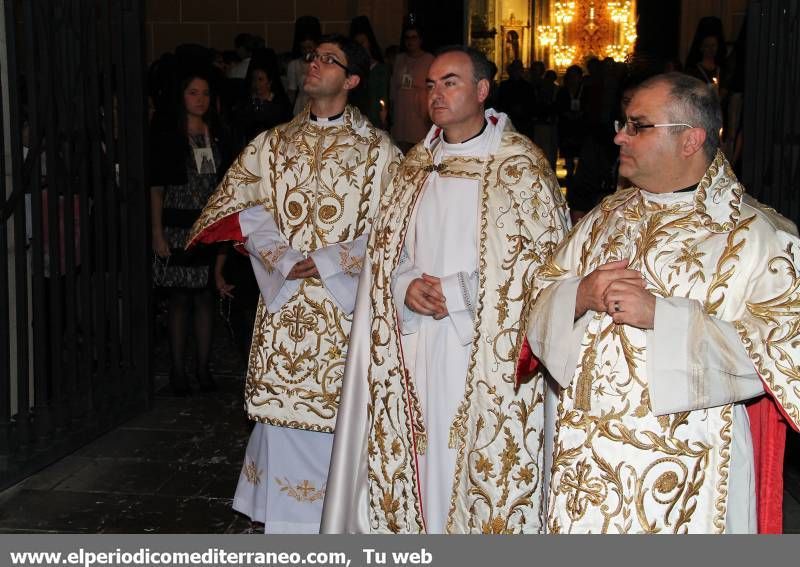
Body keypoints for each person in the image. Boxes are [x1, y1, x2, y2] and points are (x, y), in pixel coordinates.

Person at [524, 72, 800, 533]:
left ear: (690, 140)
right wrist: (580, 294)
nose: (619, 135)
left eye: (638, 125)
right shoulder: (604, 216)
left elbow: (782, 352)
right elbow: (540, 296)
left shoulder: (761, 236)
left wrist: (662, 317)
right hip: (585, 464)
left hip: (688, 471)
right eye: (623, 123)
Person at [321, 46, 569, 534]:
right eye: (430, 85)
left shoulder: (520, 167)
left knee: (465, 459)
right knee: (419, 454)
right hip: (414, 340)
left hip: (482, 348)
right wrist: (405, 283)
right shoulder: (415, 165)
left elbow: (543, 267)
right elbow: (387, 251)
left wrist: (457, 292)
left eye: (450, 82)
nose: (435, 94)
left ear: (481, 91)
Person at [187, 35, 401, 534]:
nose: (315, 65)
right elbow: (243, 208)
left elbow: (397, 228)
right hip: (283, 303)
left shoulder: (381, 153)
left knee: (339, 418)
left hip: (342, 309)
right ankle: (281, 524)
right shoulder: (271, 144)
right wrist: (281, 256)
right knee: (279, 418)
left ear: (351, 80)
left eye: (330, 60)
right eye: (313, 57)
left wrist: (328, 259)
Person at [150, 71, 232, 395]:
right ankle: (178, 370)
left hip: (206, 223)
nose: (200, 99)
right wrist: (157, 233)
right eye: (193, 92)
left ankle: (202, 367)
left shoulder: (219, 134)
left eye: (205, 93)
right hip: (176, 223)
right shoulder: (170, 134)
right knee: (180, 297)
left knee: (204, 297)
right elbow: (156, 187)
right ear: (181, 96)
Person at [390, 23, 434, 152]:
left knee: (418, 148)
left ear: (420, 40)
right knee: (400, 148)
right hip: (401, 110)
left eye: (414, 37)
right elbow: (393, 84)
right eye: (407, 38)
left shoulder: (429, 59)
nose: (410, 41)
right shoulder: (399, 59)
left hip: (419, 111)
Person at [350, 15, 390, 129]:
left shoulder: (380, 69)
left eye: (363, 43)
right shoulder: (352, 70)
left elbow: (383, 96)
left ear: (369, 42)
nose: (361, 47)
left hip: (375, 120)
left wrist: (384, 116)